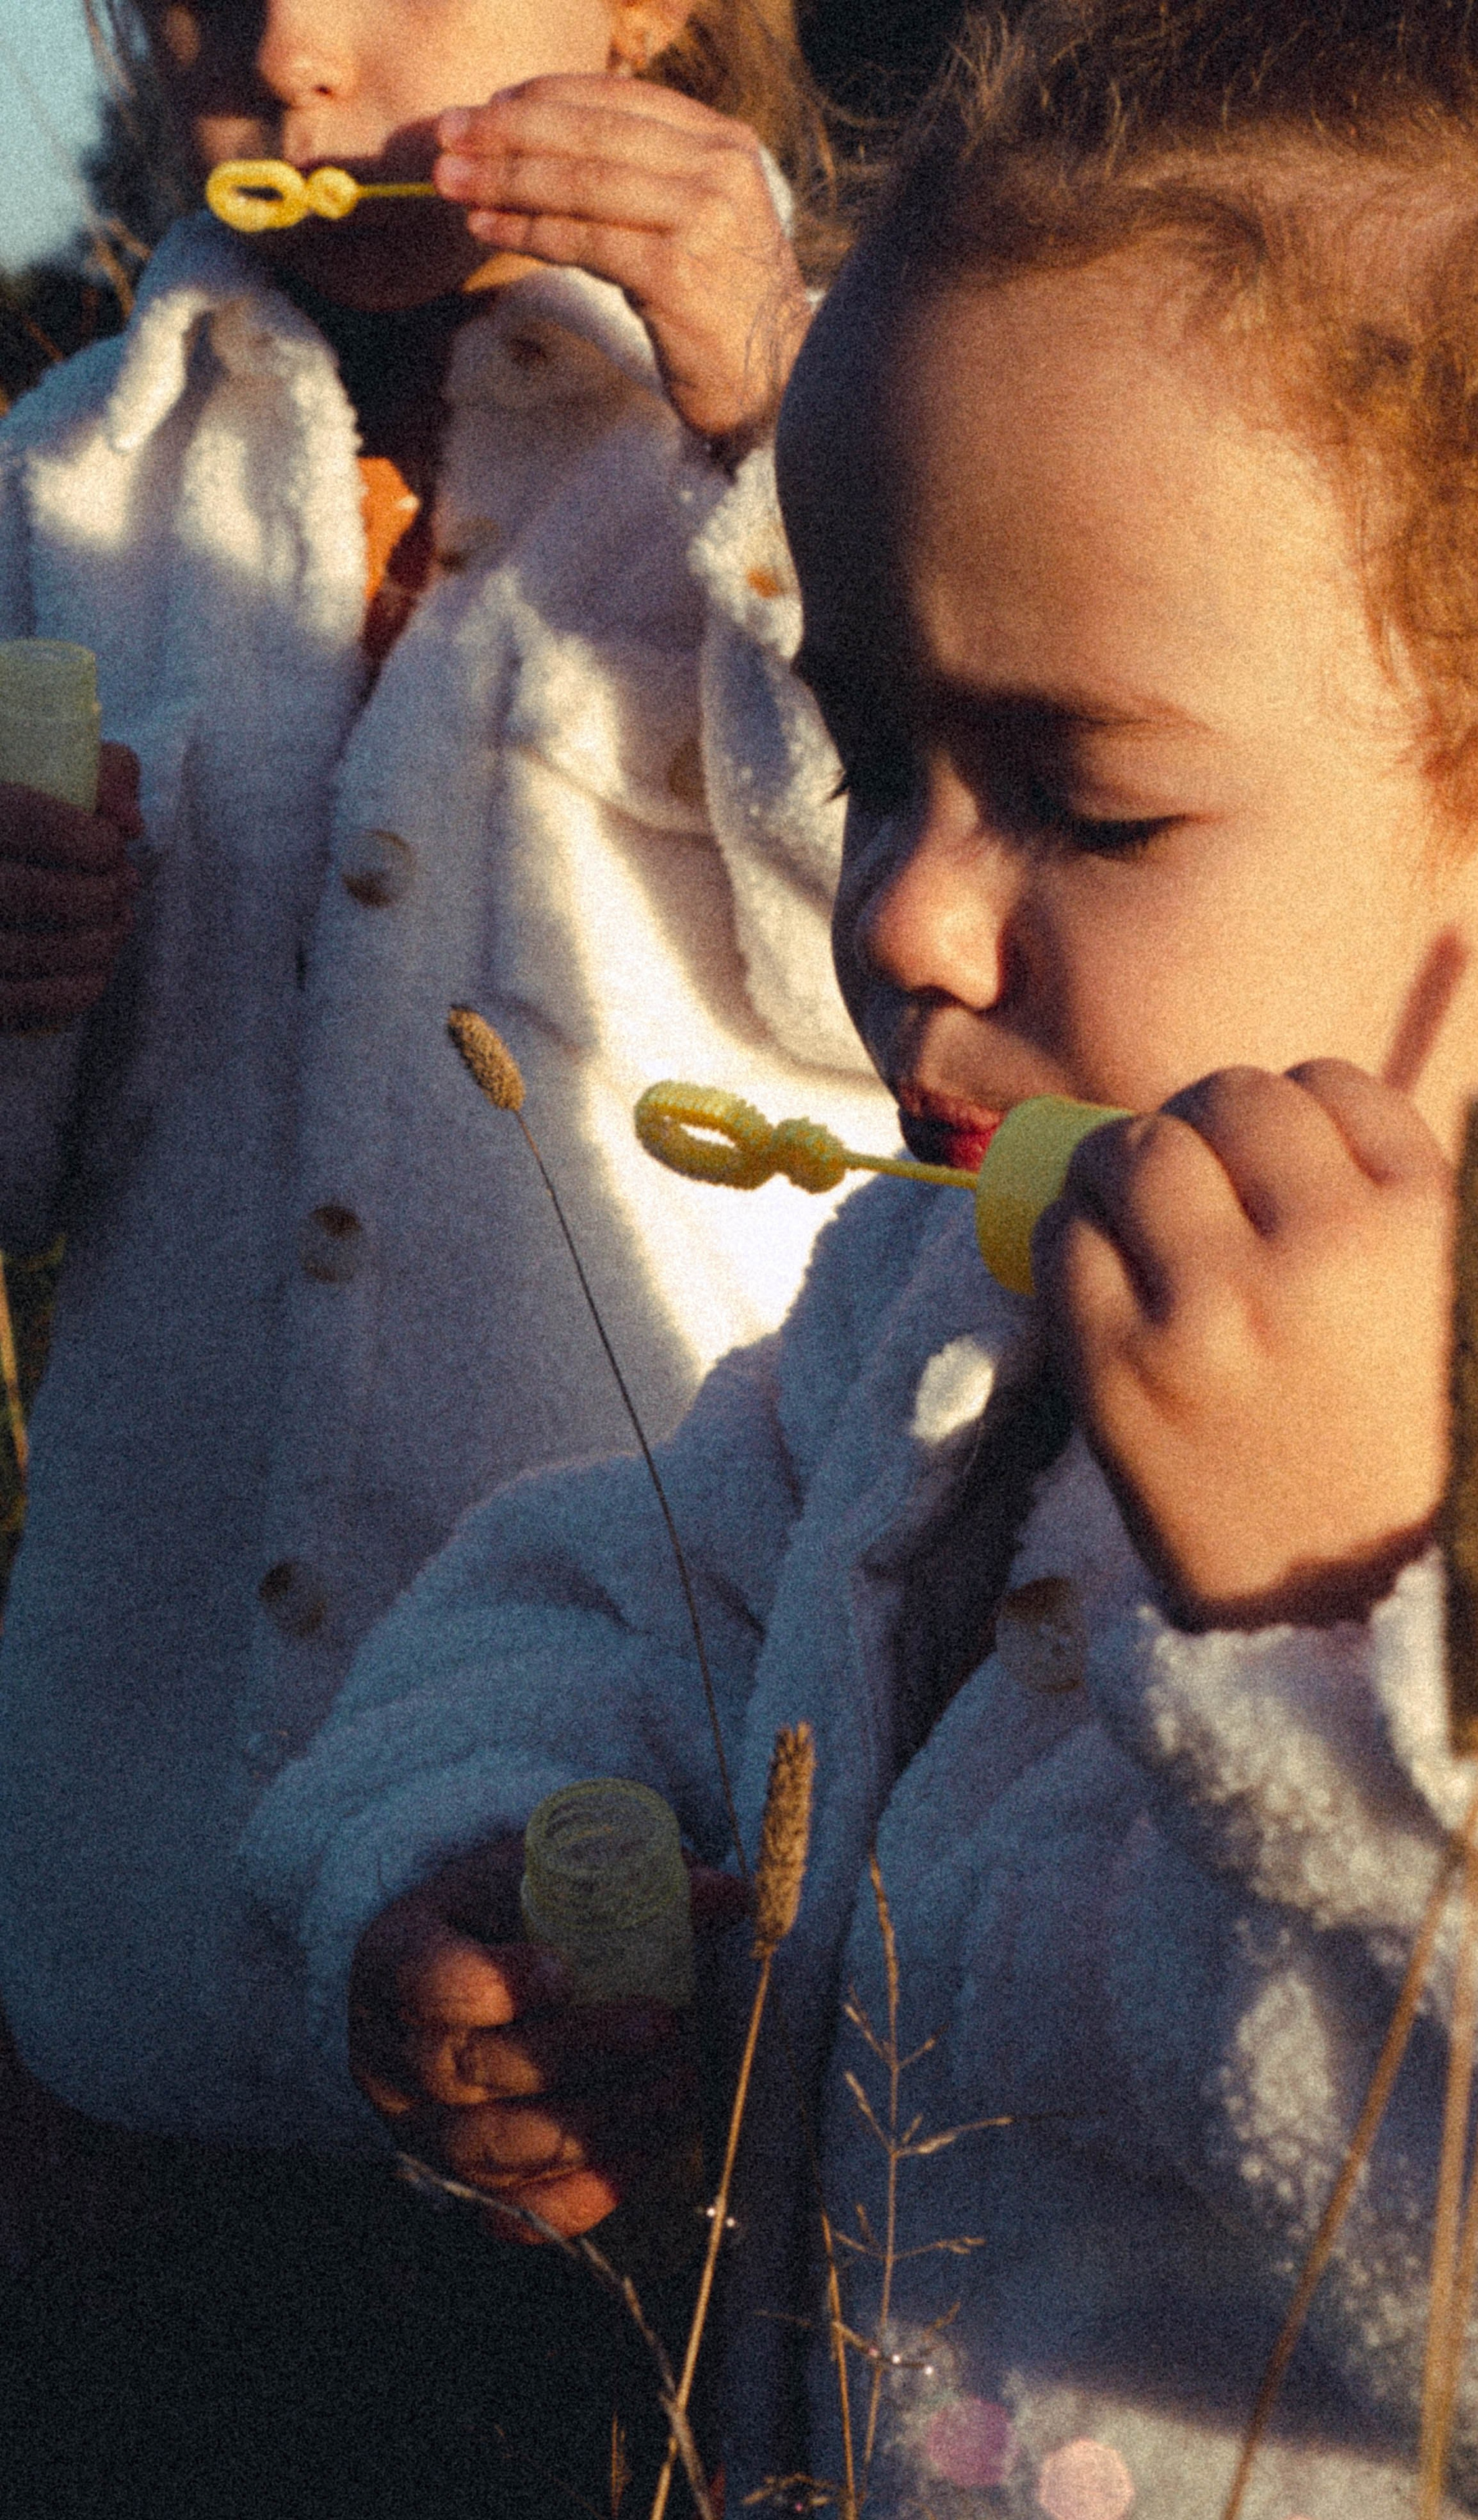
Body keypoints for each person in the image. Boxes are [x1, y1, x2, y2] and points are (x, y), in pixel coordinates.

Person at [246, 0, 1478, 2511]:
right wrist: (488, 1861)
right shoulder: (942, 1311)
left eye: (1082, 798)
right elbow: (590, 1593)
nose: (902, 908)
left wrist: (1374, 1599)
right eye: (880, 750)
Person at [0, 0, 890, 2196]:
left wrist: (784, 415)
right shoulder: (58, 477)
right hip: (143, 1931)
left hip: (653, 1852)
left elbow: (905, 974)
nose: (292, 58)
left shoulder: (890, 404)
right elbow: (38, 1193)